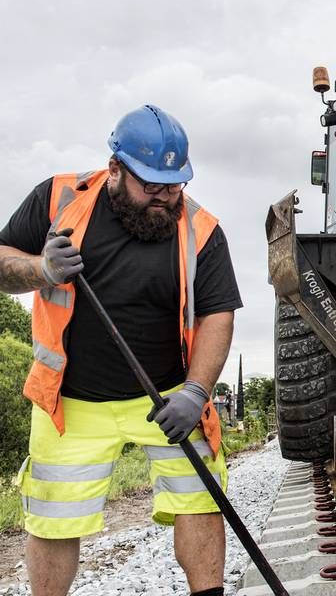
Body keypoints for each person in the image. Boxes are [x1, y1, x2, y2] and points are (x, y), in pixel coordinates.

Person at [0, 105, 242, 596]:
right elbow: (3, 263)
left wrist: (195, 393)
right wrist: (41, 270)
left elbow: (218, 313)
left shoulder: (201, 230)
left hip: (170, 396)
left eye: (174, 185)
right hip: (71, 400)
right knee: (53, 517)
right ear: (115, 169)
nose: (166, 197)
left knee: (201, 499)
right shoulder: (58, 199)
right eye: (151, 186)